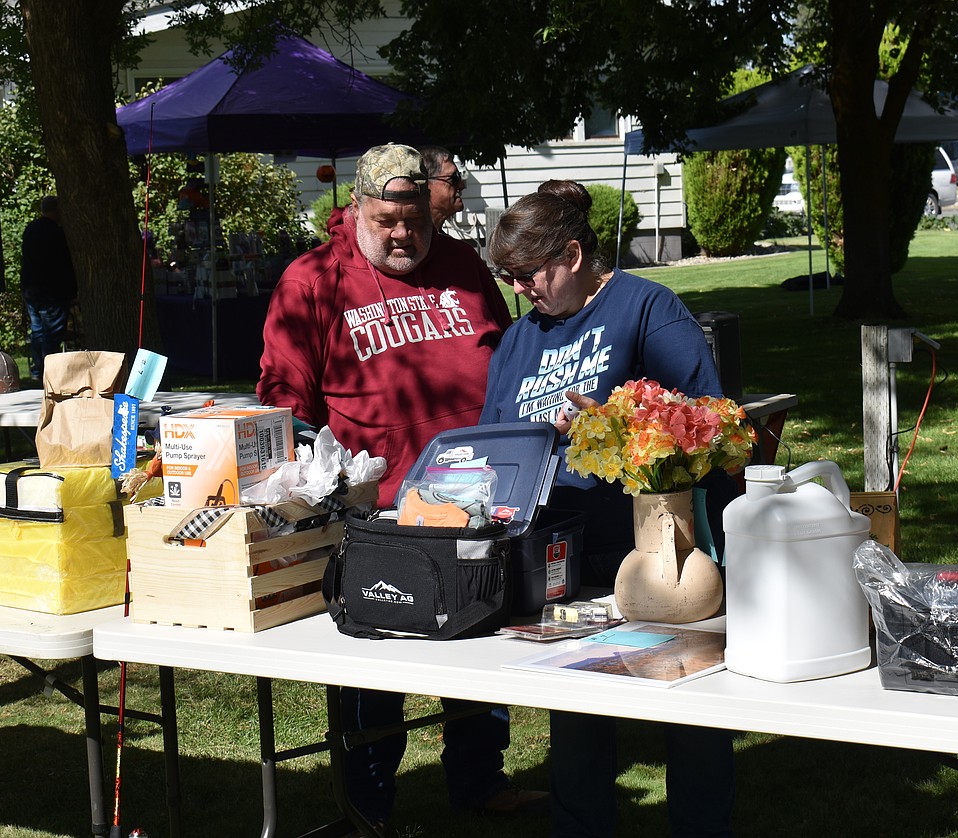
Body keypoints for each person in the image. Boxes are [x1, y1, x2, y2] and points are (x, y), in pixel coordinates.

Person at [257, 143, 543, 830]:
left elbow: (505, 361)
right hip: (379, 518)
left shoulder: (463, 267)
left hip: (478, 504)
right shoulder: (312, 282)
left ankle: (479, 779)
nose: (402, 233)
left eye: (414, 217)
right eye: (386, 218)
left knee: (480, 642)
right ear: (356, 208)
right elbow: (282, 401)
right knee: (375, 676)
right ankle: (370, 805)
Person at [480, 180, 736, 838]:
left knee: (690, 709)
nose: (518, 291)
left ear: (572, 254)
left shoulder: (646, 309)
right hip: (563, 558)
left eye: (527, 275)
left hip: (657, 551)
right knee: (577, 711)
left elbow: (708, 421)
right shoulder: (518, 340)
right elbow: (496, 443)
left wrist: (614, 420)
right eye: (508, 278)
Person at [20, 195, 77, 382]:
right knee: (51, 335)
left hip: (31, 290)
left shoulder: (30, 230)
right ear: (57, 210)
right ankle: (49, 371)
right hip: (52, 291)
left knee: (37, 331)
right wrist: (71, 291)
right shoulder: (56, 233)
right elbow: (62, 265)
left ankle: (38, 370)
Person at [419, 145, 467, 233]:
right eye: (454, 178)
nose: (461, 185)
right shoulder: (406, 242)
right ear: (426, 185)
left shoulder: (451, 245)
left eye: (459, 177)